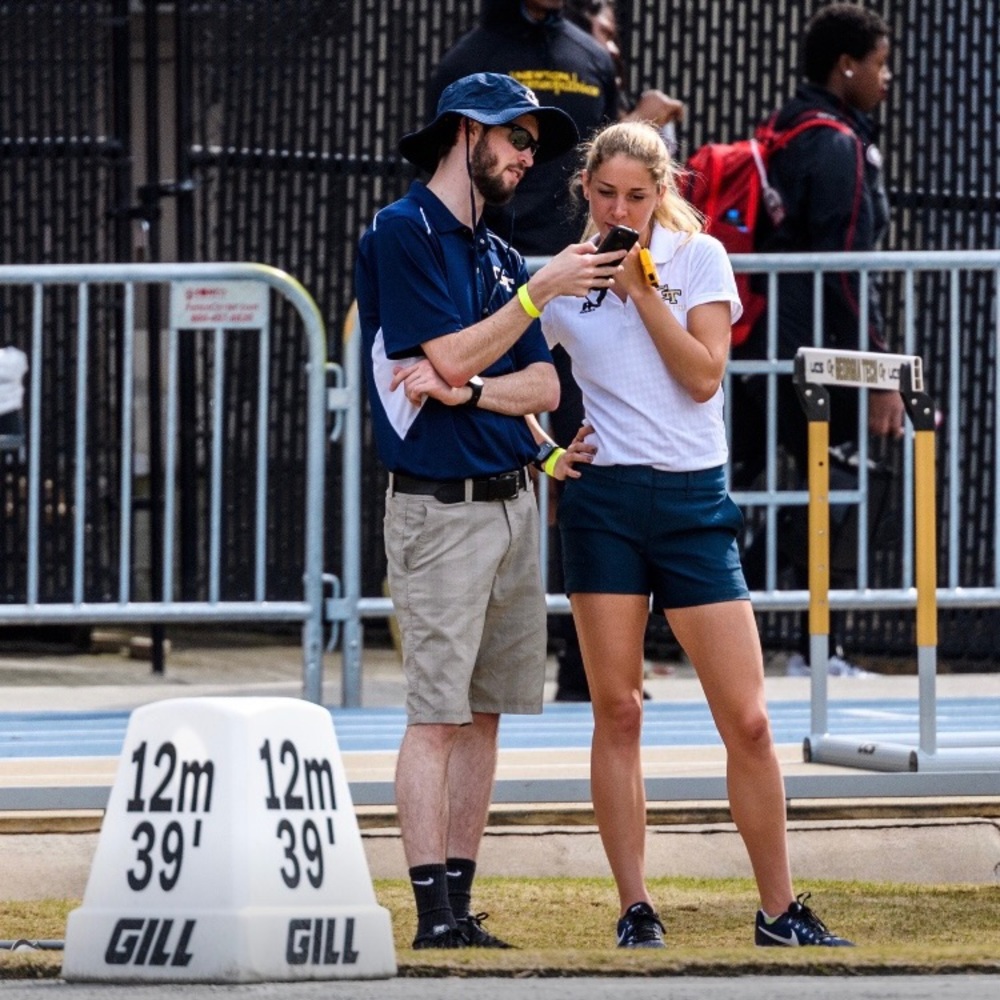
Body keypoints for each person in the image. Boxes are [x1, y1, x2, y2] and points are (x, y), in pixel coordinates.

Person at [540, 118, 854, 948]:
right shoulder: (565, 276)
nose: (620, 209)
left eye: (637, 196)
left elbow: (704, 376)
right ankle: (634, 906)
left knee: (747, 719)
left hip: (693, 502)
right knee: (618, 708)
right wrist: (543, 451)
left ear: (663, 191)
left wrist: (642, 292)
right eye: (605, 194)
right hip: (604, 502)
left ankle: (780, 910)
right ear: (585, 192)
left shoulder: (698, 258)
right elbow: (518, 371)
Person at [354, 71, 620, 950]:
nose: (528, 154)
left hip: (511, 505)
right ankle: (432, 918)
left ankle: (459, 909)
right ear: (467, 131)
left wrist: (471, 392)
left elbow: (545, 382)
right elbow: (450, 350)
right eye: (516, 137)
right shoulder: (404, 231)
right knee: (436, 716)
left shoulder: (500, 254)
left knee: (486, 715)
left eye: (534, 143)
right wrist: (530, 304)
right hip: (438, 515)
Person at [432, 0, 685, 702]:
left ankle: (591, 668)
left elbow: (608, 154)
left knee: (587, 453)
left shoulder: (589, 52)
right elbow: (447, 179)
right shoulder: (467, 55)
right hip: (513, 286)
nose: (524, 149)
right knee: (520, 450)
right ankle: (492, 660)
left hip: (587, 277)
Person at [729, 3, 904, 677]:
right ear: (847, 65)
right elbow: (845, 274)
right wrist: (884, 372)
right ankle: (814, 646)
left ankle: (783, 637)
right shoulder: (835, 143)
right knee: (836, 487)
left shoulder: (781, 127)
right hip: (812, 355)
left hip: (756, 342)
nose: (886, 79)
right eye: (881, 64)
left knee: (746, 489)